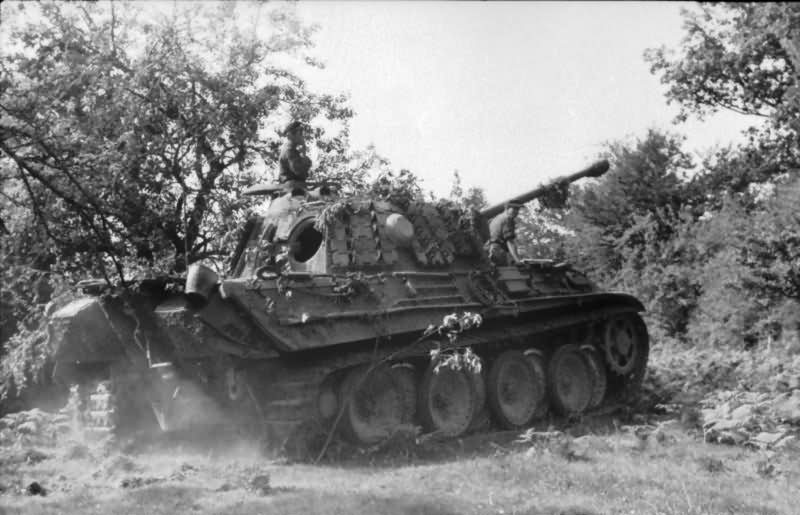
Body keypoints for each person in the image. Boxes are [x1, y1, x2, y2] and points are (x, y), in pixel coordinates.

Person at [486, 201, 522, 265]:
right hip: (499, 251)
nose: (516, 212)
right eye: (514, 209)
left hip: (490, 250)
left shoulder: (497, 218)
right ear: (507, 208)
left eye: (518, 209)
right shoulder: (508, 219)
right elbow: (510, 242)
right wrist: (517, 260)